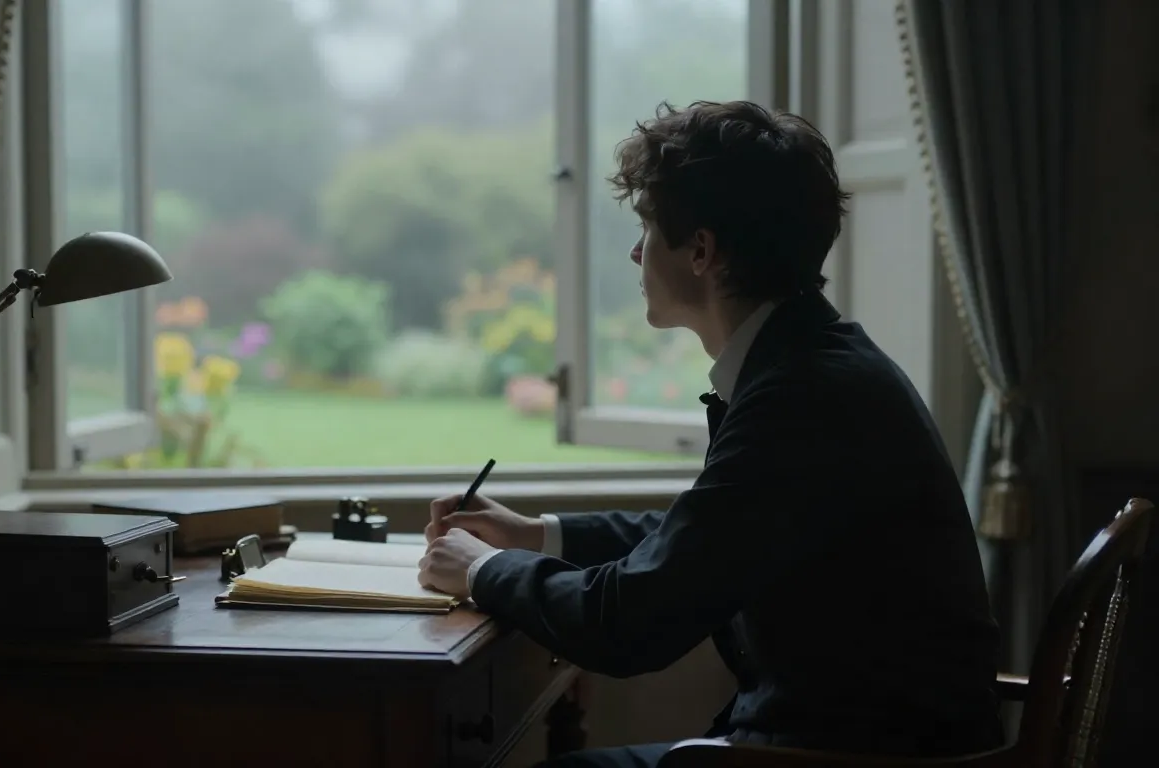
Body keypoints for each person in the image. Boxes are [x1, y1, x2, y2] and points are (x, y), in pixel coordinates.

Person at [418, 101, 1003, 767]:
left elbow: (631, 626)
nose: (636, 251)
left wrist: (483, 568)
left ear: (701, 251)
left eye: (647, 228)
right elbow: (706, 534)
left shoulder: (803, 395)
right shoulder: (814, 363)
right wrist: (535, 535)